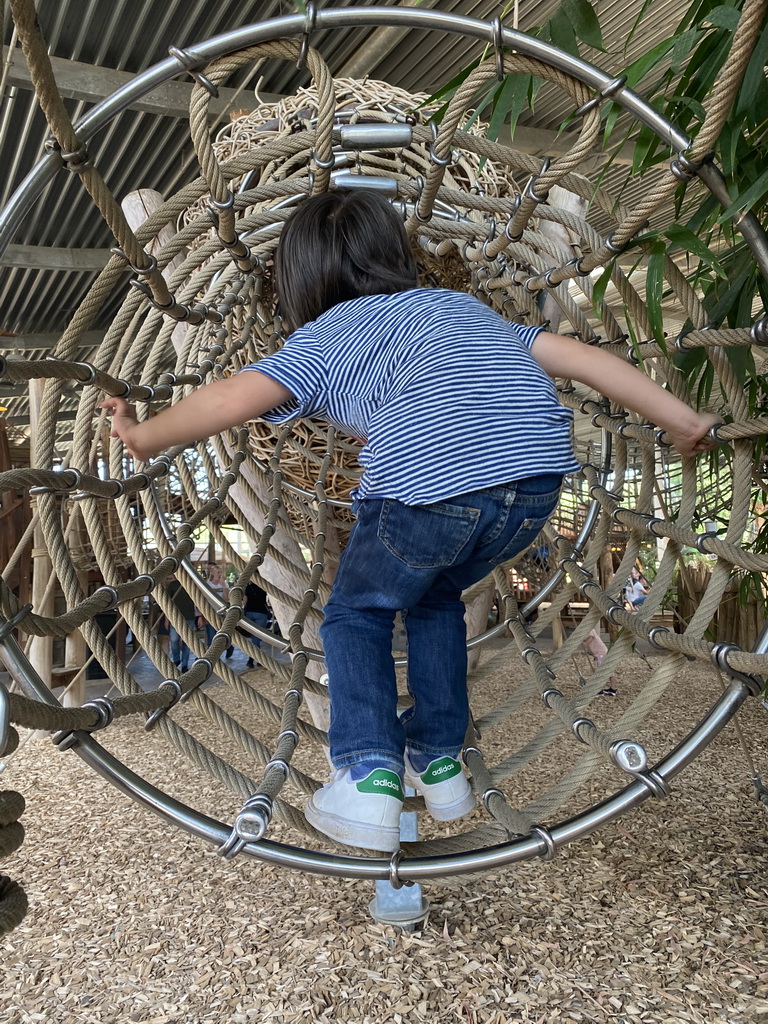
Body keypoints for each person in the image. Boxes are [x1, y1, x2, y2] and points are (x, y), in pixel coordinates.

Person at [102, 188, 721, 853]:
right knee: (434, 601)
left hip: (429, 491)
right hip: (533, 487)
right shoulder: (461, 308)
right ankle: (438, 760)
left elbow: (231, 397)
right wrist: (681, 422)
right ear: (396, 256)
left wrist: (146, 437)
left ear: (299, 282)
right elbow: (582, 360)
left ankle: (369, 775)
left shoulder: (321, 338)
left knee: (355, 615)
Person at [197, 563, 235, 658]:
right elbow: (202, 600)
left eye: (221, 572)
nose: (220, 574)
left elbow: (226, 600)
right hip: (211, 613)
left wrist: (224, 587)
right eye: (218, 572)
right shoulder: (208, 585)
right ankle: (212, 657)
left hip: (221, 613)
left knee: (222, 635)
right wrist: (201, 615)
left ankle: (229, 647)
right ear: (213, 573)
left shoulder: (223, 584)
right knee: (211, 636)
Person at [165, 574, 198, 672]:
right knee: (174, 640)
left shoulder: (191, 586)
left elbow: (198, 601)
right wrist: (167, 619)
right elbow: (166, 604)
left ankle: (185, 664)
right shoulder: (172, 585)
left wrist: (200, 616)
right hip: (175, 618)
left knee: (187, 643)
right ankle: (176, 659)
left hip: (189, 617)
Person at [243, 580, 271, 668]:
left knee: (254, 637)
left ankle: (252, 659)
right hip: (261, 612)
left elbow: (245, 600)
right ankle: (255, 659)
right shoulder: (264, 587)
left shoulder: (248, 587)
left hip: (249, 612)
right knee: (257, 637)